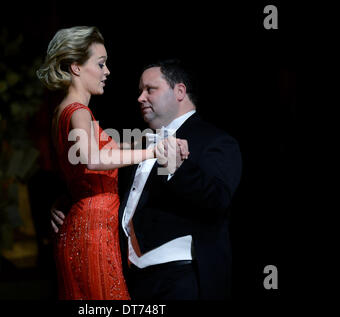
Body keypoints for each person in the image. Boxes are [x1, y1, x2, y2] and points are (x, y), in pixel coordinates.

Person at [51, 59, 242, 300]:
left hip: (182, 277)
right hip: (131, 279)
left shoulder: (214, 140)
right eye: (140, 91)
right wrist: (70, 200)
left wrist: (176, 169)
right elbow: (108, 185)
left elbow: (218, 200)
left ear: (180, 91)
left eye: (150, 89)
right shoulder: (139, 144)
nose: (141, 98)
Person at [36, 26, 188, 300]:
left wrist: (159, 142)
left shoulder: (63, 111)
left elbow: (109, 152)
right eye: (101, 64)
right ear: (76, 68)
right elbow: (94, 159)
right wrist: (154, 151)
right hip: (92, 233)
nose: (107, 72)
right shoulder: (78, 111)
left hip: (85, 227)